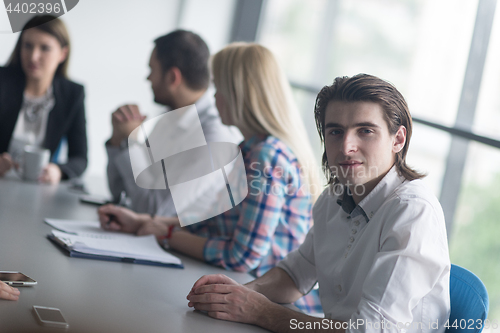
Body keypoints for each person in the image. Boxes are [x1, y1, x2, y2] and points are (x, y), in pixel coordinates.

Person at [186, 74, 451, 333]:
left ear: (398, 139)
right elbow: (296, 273)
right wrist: (237, 294)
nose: (346, 146)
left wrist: (259, 311)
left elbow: (368, 330)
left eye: (365, 131)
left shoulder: (413, 211)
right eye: (335, 131)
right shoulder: (334, 197)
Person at [99, 43, 323, 313]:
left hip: (272, 306)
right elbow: (217, 222)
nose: (214, 98)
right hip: (245, 292)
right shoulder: (249, 149)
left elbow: (242, 256)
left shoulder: (266, 157)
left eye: (218, 88)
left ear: (238, 93)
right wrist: (145, 223)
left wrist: (167, 234)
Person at [105, 29, 241, 216]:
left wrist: (131, 144)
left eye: (152, 70)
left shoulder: (214, 138)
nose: (148, 78)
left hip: (170, 242)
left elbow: (153, 211)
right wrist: (117, 140)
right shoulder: (170, 117)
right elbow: (121, 192)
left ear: (172, 77)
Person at [0, 15, 87, 183]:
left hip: (37, 189)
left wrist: (58, 171)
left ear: (63, 53)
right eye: (28, 46)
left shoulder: (72, 94)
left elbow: (80, 158)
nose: (33, 57)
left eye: (45, 48)